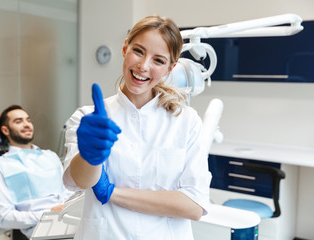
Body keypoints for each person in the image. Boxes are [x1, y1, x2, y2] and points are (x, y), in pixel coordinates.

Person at [63, 15, 211, 240]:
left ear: (170, 68)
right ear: (125, 48)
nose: (143, 66)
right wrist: (89, 156)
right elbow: (79, 181)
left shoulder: (186, 121)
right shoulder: (89, 118)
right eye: (139, 51)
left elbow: (193, 205)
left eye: (158, 61)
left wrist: (111, 192)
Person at [0, 105, 75, 240]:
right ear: (5, 130)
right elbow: (5, 218)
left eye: (28, 120)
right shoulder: (0, 166)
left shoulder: (51, 156)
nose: (26, 124)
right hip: (38, 228)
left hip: (68, 220)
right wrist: (48, 213)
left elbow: (68, 191)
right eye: (18, 121)